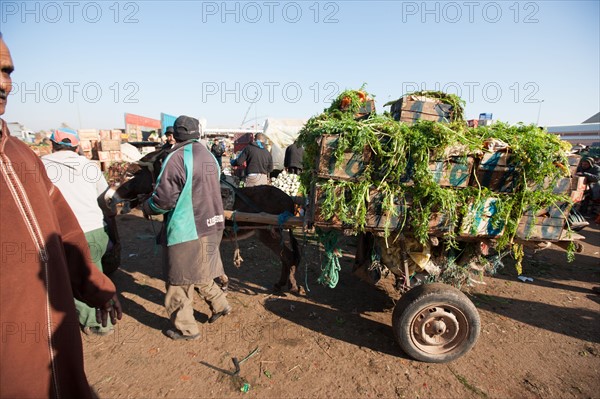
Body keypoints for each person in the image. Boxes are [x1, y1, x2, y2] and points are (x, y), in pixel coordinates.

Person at [0, 33, 122, 399]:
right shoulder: (82, 165)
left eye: (7, 71)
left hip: (59, 364)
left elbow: (63, 234)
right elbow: (106, 201)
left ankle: (92, 321)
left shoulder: (26, 158)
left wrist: (98, 287)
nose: (4, 83)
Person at [141, 115, 231, 341]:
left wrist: (147, 206)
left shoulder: (176, 157)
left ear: (176, 134)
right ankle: (220, 305)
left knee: (178, 279)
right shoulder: (209, 155)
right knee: (200, 269)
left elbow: (163, 200)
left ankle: (185, 328)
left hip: (187, 229)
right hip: (212, 224)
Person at [41, 128, 115, 336]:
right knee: (95, 273)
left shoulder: (42, 165)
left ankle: (93, 322)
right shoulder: (88, 166)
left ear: (53, 145)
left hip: (66, 233)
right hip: (96, 230)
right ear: (76, 148)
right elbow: (105, 198)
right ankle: (105, 320)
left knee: (71, 278)